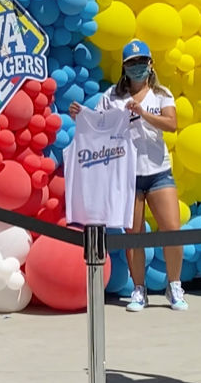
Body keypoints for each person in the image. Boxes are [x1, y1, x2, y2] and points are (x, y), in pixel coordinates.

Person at [70, 40, 187, 311]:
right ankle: (139, 289)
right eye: (131, 63)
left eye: (141, 62)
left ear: (150, 64)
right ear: (124, 67)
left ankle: (175, 286)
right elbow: (98, 125)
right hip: (126, 174)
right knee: (133, 233)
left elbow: (172, 123)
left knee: (172, 229)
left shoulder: (162, 94)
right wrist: (81, 116)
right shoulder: (112, 96)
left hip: (158, 171)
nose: (137, 67)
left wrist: (143, 113)